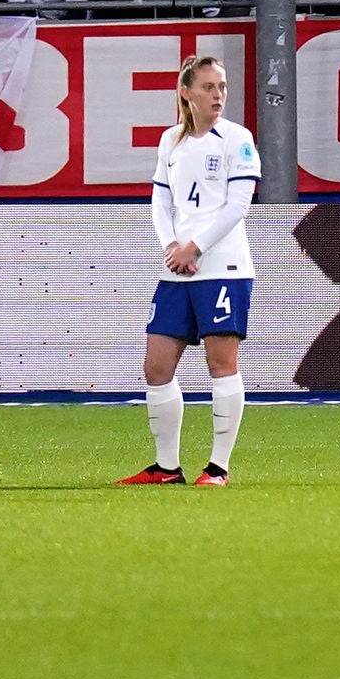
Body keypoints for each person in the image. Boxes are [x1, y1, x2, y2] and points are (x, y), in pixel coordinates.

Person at [123, 55, 261, 486]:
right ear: (186, 92)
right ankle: (167, 468)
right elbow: (160, 202)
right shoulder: (170, 141)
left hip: (223, 267)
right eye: (208, 87)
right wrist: (171, 247)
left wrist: (195, 247)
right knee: (156, 366)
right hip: (177, 270)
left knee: (221, 365)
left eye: (221, 86)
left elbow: (239, 206)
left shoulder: (237, 139)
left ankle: (218, 468)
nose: (218, 94)